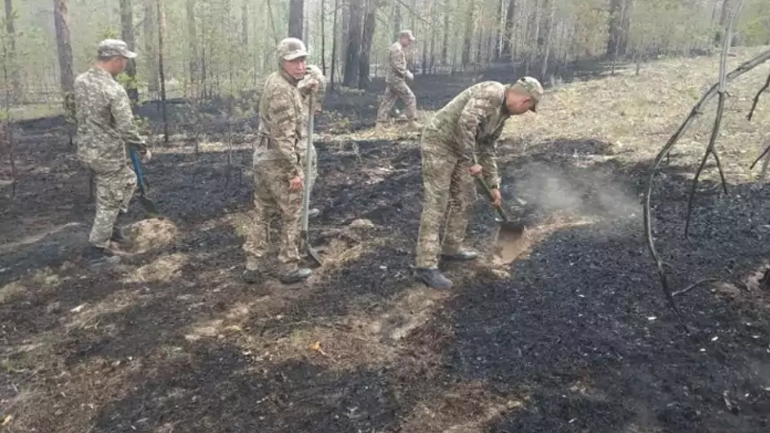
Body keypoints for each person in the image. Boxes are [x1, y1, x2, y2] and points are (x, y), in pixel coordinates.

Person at [414, 77, 544, 289]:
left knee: (466, 198)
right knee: (437, 201)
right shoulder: (493, 92)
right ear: (525, 101)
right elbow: (466, 122)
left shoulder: (502, 114)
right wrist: (471, 161)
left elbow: (488, 147)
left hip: (460, 149)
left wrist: (493, 185)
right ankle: (425, 267)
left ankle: (451, 248)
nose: (524, 112)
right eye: (528, 108)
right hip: (440, 142)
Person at [243, 38, 324, 285]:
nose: (301, 66)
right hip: (277, 161)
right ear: (282, 62)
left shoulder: (281, 82)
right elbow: (283, 137)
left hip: (264, 157)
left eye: (303, 60)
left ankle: (253, 264)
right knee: (293, 212)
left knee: (263, 211)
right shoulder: (281, 90)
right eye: (294, 61)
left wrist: (304, 88)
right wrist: (294, 172)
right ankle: (288, 265)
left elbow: (291, 103)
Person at [73, 39, 150, 265]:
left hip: (87, 149)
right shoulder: (113, 90)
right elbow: (126, 126)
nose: (125, 64)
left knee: (128, 180)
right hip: (107, 153)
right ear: (116, 60)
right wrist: (142, 147)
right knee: (110, 199)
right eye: (124, 60)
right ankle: (96, 252)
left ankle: (113, 228)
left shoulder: (81, 81)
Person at [376, 30, 420, 130]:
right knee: (410, 97)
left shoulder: (397, 47)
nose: (409, 43)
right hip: (396, 80)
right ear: (403, 38)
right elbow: (398, 66)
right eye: (409, 40)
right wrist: (407, 74)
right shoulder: (397, 49)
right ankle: (412, 122)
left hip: (393, 79)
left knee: (387, 101)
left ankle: (379, 124)